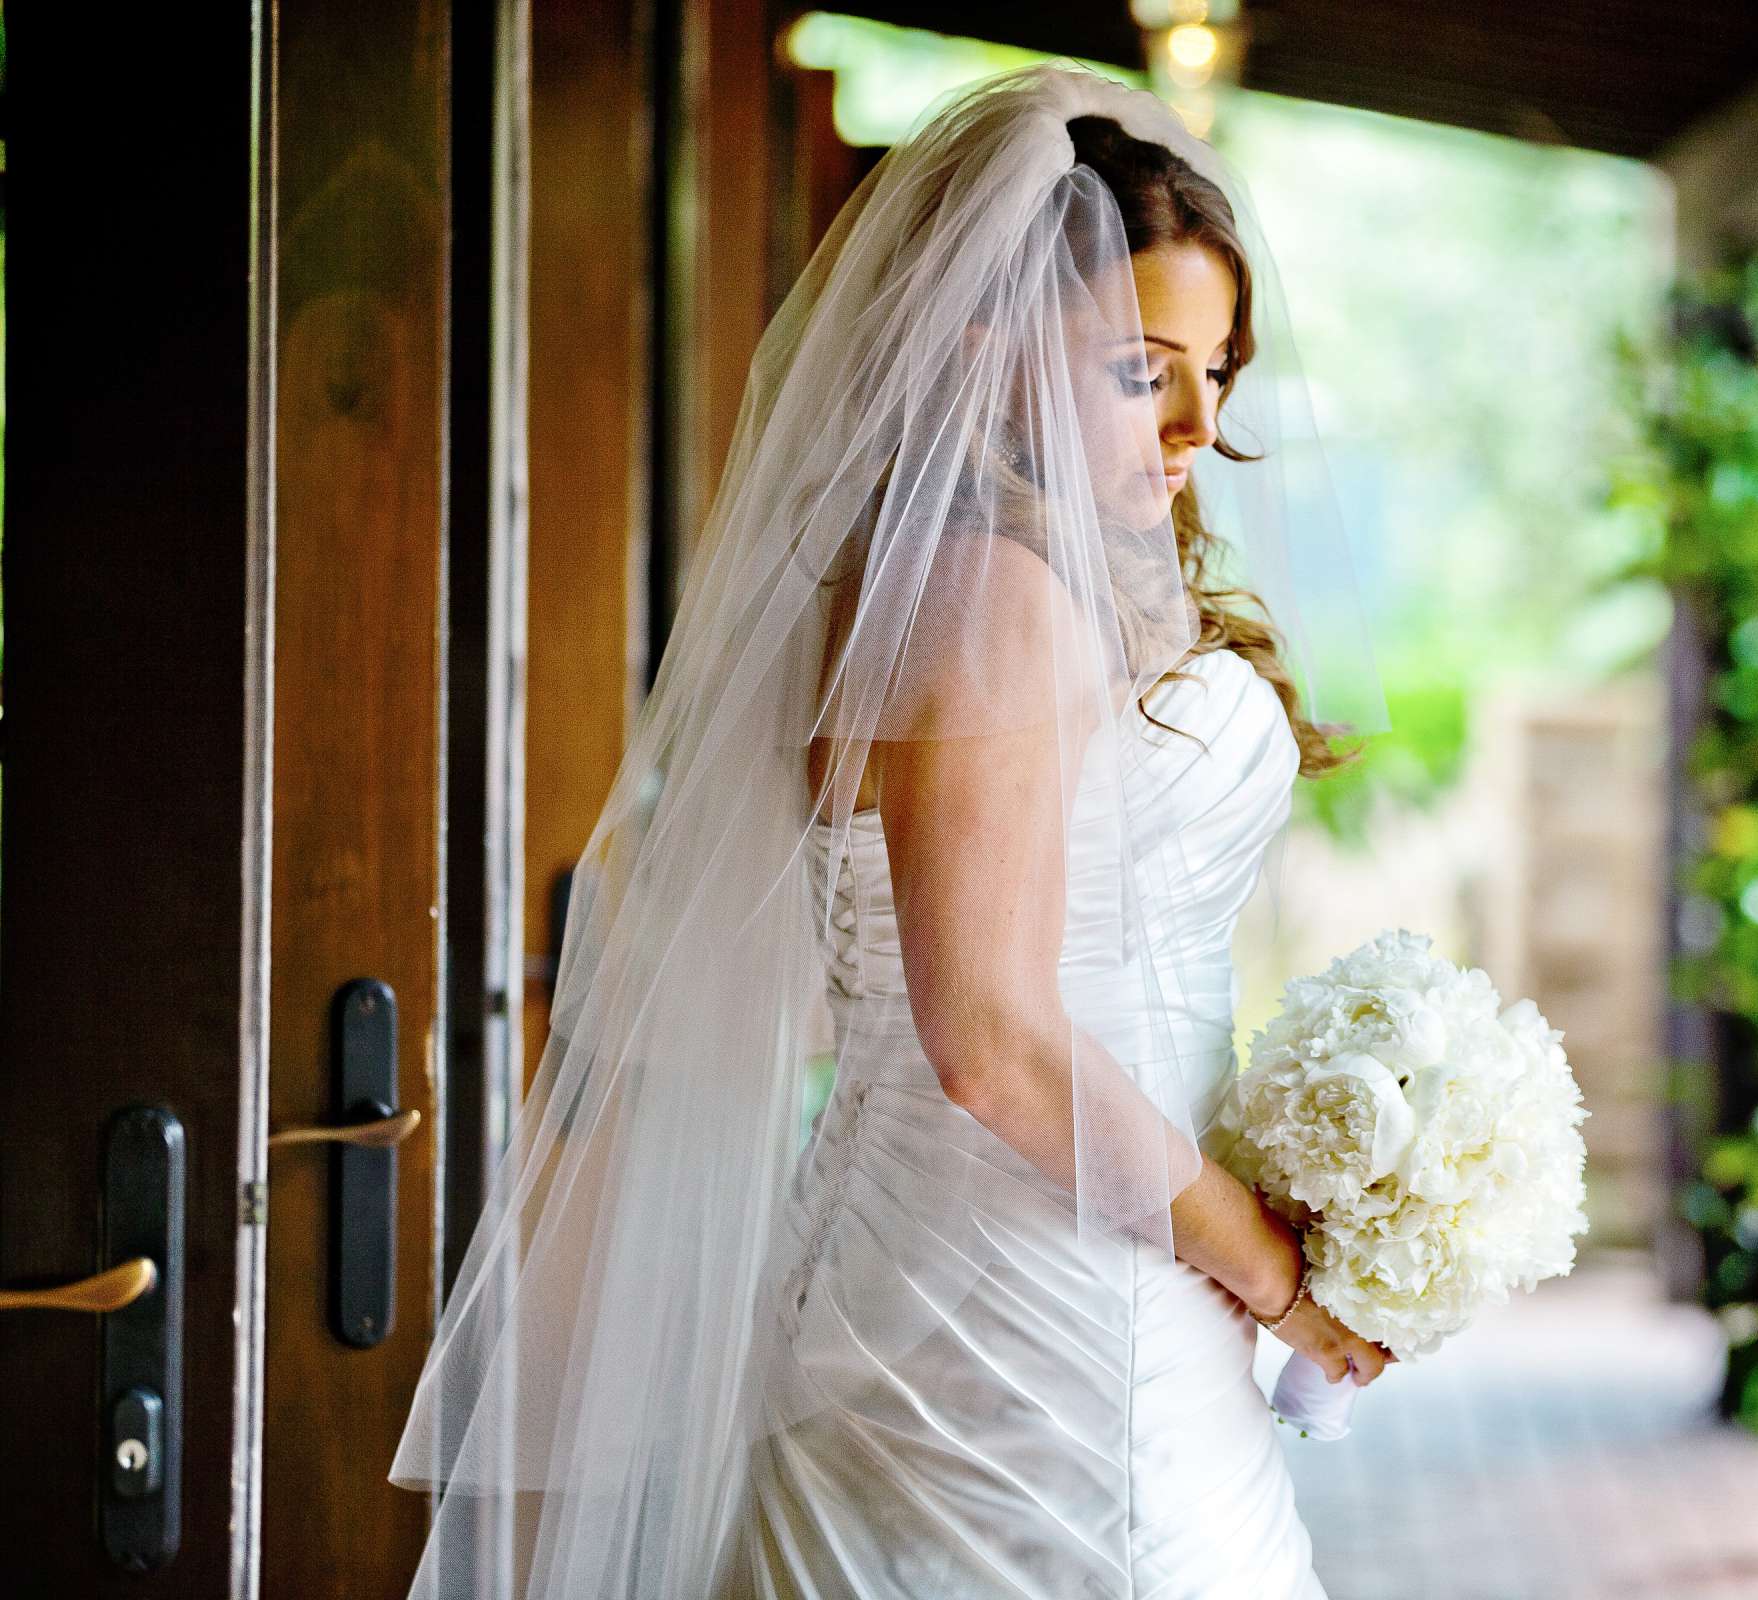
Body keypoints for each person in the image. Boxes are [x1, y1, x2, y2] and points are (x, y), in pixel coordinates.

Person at [392, 62, 1385, 1600]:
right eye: (1142, 372)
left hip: (1100, 1268)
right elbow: (988, 1036)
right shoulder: (990, 594)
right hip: (1021, 1323)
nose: (1199, 425)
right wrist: (1261, 1265)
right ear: (992, 348)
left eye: (1219, 370)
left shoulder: (1030, 575)